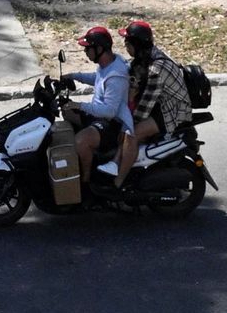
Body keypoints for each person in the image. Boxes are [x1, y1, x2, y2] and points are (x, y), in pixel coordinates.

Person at [65, 25, 131, 189]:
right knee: (66, 110)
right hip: (100, 115)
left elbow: (109, 111)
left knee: (81, 141)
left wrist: (80, 105)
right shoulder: (108, 63)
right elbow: (98, 78)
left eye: (88, 49)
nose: (85, 53)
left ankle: (86, 183)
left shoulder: (116, 76)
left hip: (113, 123)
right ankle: (89, 156)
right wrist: (74, 76)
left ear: (99, 48)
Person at [124, 16, 191, 162]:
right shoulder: (148, 55)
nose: (126, 48)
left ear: (137, 45)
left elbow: (143, 108)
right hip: (162, 104)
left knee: (131, 134)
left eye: (128, 44)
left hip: (172, 112)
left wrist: (128, 120)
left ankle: (120, 179)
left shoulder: (156, 69)